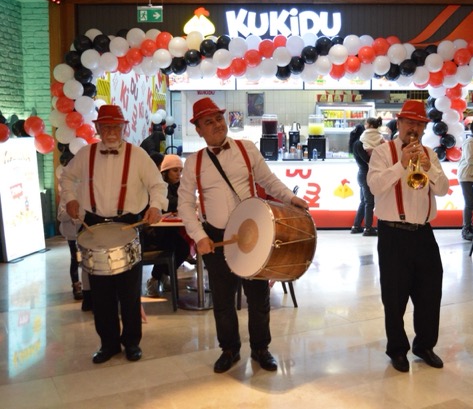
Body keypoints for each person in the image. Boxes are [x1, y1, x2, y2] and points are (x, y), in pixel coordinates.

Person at [178, 97, 308, 374]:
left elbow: (268, 181)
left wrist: (290, 198)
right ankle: (229, 349)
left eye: (219, 118)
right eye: (208, 122)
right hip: (216, 238)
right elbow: (185, 205)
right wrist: (199, 235)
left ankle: (261, 348)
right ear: (198, 130)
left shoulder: (246, 149)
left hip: (252, 233)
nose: (217, 124)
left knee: (258, 296)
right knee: (223, 300)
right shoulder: (193, 163)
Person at [59, 104, 167, 364]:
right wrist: (70, 198)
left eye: (115, 127)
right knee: (101, 293)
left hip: (127, 225)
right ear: (97, 128)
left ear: (123, 128)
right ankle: (108, 344)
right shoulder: (85, 154)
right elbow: (67, 178)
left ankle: (132, 342)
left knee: (129, 291)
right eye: (105, 126)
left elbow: (157, 185)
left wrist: (155, 206)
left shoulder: (138, 155)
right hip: (94, 226)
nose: (110, 131)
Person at [367, 100, 449, 372]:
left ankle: (424, 346)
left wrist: (429, 168)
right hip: (393, 234)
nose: (413, 128)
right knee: (394, 297)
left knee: (430, 294)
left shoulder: (430, 154)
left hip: (424, 233)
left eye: (419, 124)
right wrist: (401, 165)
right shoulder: (382, 152)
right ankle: (397, 349)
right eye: (409, 122)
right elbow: (375, 186)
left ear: (424, 128)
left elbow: (442, 190)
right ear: (399, 124)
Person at [144, 154, 191, 297]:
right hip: (152, 233)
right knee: (171, 245)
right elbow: (170, 202)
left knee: (183, 248)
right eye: (175, 170)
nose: (178, 174)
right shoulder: (159, 187)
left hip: (168, 230)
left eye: (180, 171)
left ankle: (163, 276)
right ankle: (155, 279)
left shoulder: (178, 186)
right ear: (165, 172)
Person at [351, 118, 383, 236]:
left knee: (364, 201)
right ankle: (368, 228)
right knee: (369, 202)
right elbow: (369, 159)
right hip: (368, 175)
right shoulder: (379, 141)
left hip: (361, 174)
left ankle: (356, 226)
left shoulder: (358, 143)